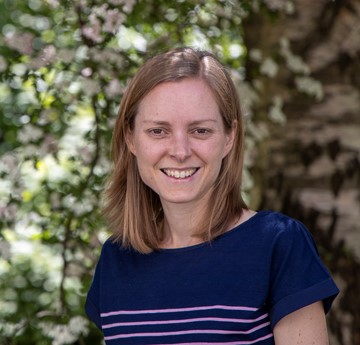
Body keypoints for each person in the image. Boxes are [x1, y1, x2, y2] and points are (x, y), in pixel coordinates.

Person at [85, 47, 339, 344]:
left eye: (200, 131)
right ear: (130, 138)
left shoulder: (278, 244)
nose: (180, 151)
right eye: (157, 131)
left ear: (229, 137)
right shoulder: (117, 259)